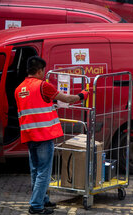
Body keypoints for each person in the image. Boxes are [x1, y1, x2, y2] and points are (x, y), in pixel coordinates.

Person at [15, 56, 88, 214]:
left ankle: (43, 200)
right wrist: (82, 95)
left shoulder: (19, 89)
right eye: (43, 71)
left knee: (35, 170)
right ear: (40, 71)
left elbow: (33, 106)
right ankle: (36, 206)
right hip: (44, 135)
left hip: (29, 135)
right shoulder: (43, 86)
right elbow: (67, 99)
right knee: (44, 172)